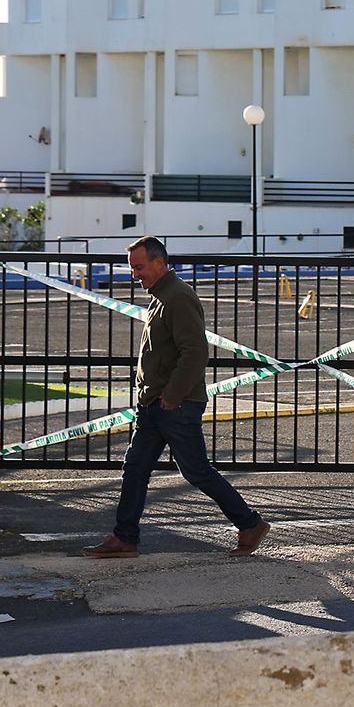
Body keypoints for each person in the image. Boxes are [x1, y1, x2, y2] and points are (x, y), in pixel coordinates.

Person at [82, 236, 271, 558]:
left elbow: (195, 351)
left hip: (174, 404)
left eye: (139, 267)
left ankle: (250, 523)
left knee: (196, 471)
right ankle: (125, 537)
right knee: (136, 468)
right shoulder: (160, 297)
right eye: (132, 268)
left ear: (159, 263)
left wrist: (172, 395)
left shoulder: (178, 296)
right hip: (154, 403)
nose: (135, 274)